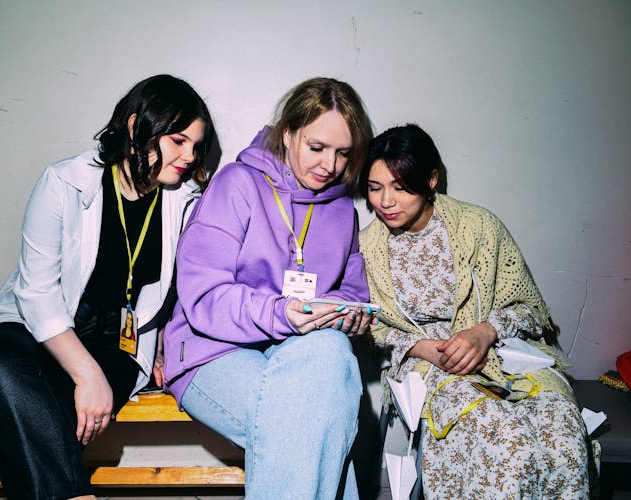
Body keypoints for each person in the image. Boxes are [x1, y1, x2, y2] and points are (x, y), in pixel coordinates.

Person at [0, 74, 215, 500]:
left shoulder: (188, 200)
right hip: (37, 325)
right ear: (137, 128)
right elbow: (37, 294)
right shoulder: (63, 183)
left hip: (116, 341)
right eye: (178, 141)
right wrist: (87, 375)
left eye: (196, 145)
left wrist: (163, 346)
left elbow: (188, 286)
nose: (190, 156)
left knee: (47, 424)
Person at [161, 77, 374, 499]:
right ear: (289, 133)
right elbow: (203, 297)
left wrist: (348, 315)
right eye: (317, 148)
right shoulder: (237, 183)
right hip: (212, 351)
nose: (330, 166)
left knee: (329, 355)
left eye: (343, 153)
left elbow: (353, 293)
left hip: (301, 354)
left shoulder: (341, 211)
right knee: (317, 421)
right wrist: (281, 313)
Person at [358, 124, 590, 498]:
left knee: (563, 438)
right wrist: (420, 348)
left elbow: (530, 309)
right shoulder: (367, 248)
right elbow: (370, 329)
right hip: (433, 367)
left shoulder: (479, 226)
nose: (385, 201)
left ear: (431, 179)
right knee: (508, 445)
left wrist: (485, 332)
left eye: (400, 187)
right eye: (375, 187)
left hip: (510, 359)